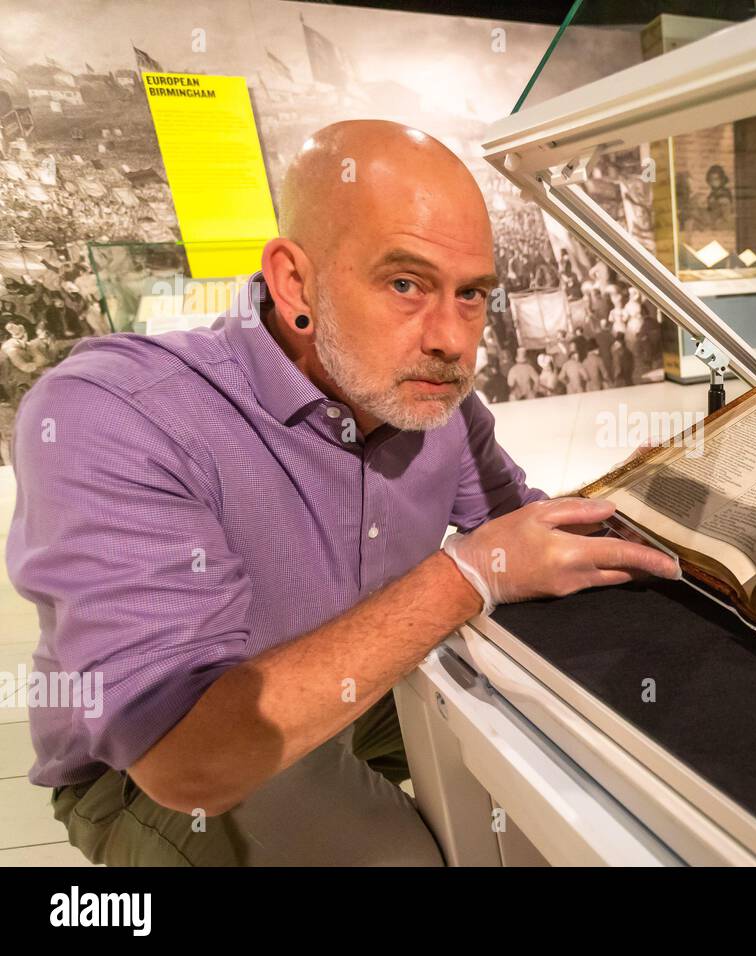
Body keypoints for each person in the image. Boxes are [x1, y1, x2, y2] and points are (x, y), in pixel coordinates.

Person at [5, 120, 679, 867]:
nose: (453, 340)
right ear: (296, 282)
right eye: (405, 284)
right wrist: (470, 572)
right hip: (151, 766)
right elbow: (185, 759)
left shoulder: (435, 403)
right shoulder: (116, 411)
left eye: (472, 295)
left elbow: (523, 525)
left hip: (373, 689)